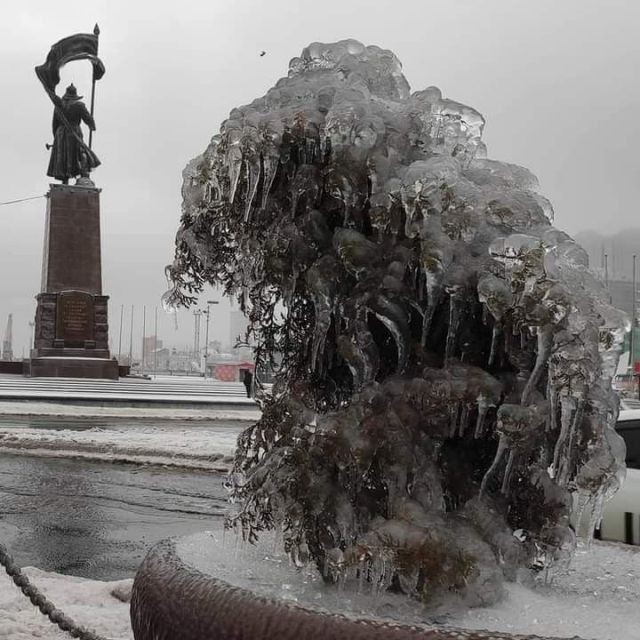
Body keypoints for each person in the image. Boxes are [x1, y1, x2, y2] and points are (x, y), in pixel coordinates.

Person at [47, 84, 97, 183]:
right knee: (80, 153)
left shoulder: (58, 106)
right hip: (74, 132)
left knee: (63, 158)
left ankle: (65, 181)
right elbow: (88, 119)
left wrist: (57, 137)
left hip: (60, 134)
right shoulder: (79, 105)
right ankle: (83, 176)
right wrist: (92, 126)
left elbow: (54, 124)